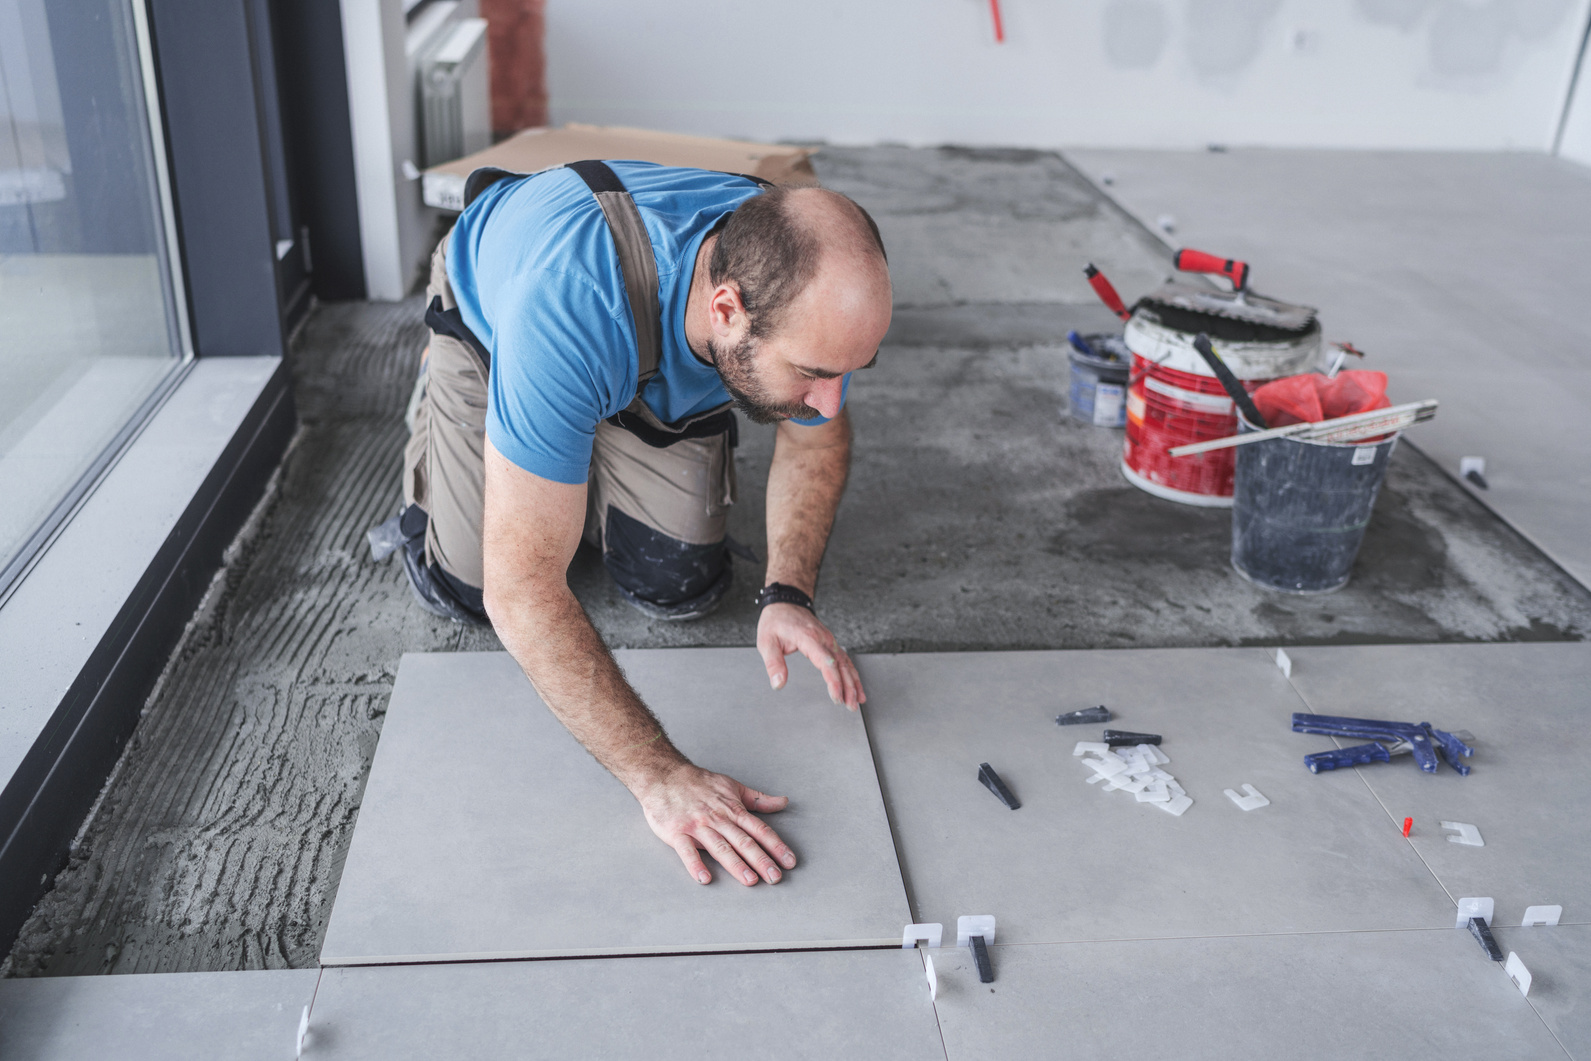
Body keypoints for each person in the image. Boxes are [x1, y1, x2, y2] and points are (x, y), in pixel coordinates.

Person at [373, 160, 892, 888]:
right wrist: (660, 777)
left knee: (677, 584)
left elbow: (816, 428)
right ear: (725, 308)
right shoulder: (566, 303)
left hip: (636, 338)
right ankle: (474, 402)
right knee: (466, 586)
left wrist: (787, 593)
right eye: (813, 371)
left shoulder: (791, 276)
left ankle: (576, 432)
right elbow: (520, 592)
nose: (833, 402)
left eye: (850, 371)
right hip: (495, 318)